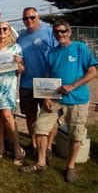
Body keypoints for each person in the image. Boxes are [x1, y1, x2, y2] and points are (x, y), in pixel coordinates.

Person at [20, 21, 97, 183]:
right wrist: (46, 97)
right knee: (40, 127)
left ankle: (70, 167)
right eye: (56, 32)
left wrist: (72, 86)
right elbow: (47, 77)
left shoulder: (79, 48)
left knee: (75, 135)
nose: (60, 35)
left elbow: (92, 72)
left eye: (63, 31)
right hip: (55, 98)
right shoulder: (52, 53)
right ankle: (41, 163)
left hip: (77, 99)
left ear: (69, 32)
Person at [17, 7, 58, 157]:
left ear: (38, 16)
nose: (29, 21)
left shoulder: (49, 32)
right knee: (30, 116)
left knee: (49, 115)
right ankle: (34, 145)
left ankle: (48, 148)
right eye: (26, 18)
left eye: (32, 17)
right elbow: (19, 61)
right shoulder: (20, 38)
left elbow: (58, 53)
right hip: (27, 82)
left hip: (47, 83)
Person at [0, 22, 26, 165]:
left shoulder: (16, 48)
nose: (2, 31)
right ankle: (1, 145)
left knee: (7, 116)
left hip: (8, 86)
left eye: (5, 29)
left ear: (9, 31)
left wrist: (19, 63)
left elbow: (22, 69)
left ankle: (17, 149)